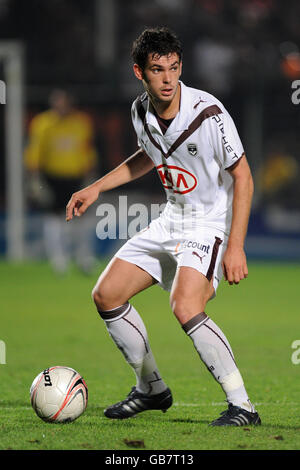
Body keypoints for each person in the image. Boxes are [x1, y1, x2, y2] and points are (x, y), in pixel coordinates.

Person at [66, 27, 261, 426]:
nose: (168, 78)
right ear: (140, 72)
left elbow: (243, 176)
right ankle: (151, 388)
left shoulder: (208, 112)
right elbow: (150, 156)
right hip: (170, 218)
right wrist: (97, 187)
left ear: (181, 67)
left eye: (174, 68)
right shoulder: (140, 111)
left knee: (186, 305)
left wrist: (236, 245)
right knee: (106, 295)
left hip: (208, 224)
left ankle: (243, 406)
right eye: (158, 70)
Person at [25, 89, 98, 274]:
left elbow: (87, 149)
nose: (61, 107)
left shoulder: (81, 122)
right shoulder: (42, 123)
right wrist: (34, 179)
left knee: (81, 219)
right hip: (52, 177)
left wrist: (90, 177)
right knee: (54, 220)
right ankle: (59, 261)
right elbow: (35, 151)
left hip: (77, 177)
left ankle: (84, 259)